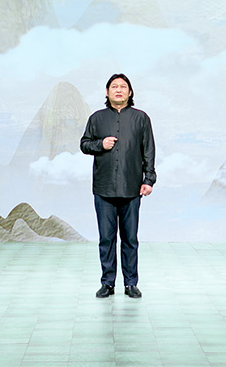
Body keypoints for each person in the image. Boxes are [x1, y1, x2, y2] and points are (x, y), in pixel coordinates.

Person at [80, 73, 156, 299]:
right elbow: (84, 144)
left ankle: (131, 283)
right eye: (114, 87)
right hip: (103, 188)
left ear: (130, 92)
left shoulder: (141, 118)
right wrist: (100, 144)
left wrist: (148, 179)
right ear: (107, 92)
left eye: (123, 87)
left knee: (130, 239)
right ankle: (107, 283)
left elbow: (148, 150)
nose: (119, 90)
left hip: (132, 188)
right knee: (106, 239)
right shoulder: (97, 118)